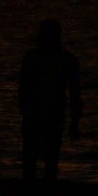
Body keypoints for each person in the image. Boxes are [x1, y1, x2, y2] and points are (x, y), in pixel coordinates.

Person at [19, 19, 81, 181]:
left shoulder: (33, 57)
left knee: (40, 157)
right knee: (41, 157)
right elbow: (75, 93)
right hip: (42, 112)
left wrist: (75, 120)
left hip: (47, 112)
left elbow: (23, 87)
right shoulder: (66, 59)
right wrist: (75, 121)